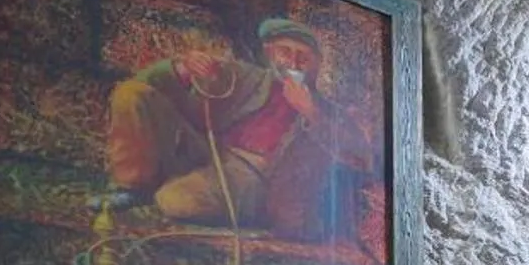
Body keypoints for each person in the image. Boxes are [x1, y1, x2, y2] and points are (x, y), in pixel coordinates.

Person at [104, 17, 366, 243]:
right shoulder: (248, 76)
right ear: (270, 53)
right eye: (285, 52)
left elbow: (360, 158)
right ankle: (131, 187)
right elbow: (149, 80)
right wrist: (184, 68)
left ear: (317, 65)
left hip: (253, 177)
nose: (294, 63)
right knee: (131, 93)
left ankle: (165, 189)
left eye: (303, 58)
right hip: (210, 150)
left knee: (174, 199)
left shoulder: (329, 110)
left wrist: (311, 113)